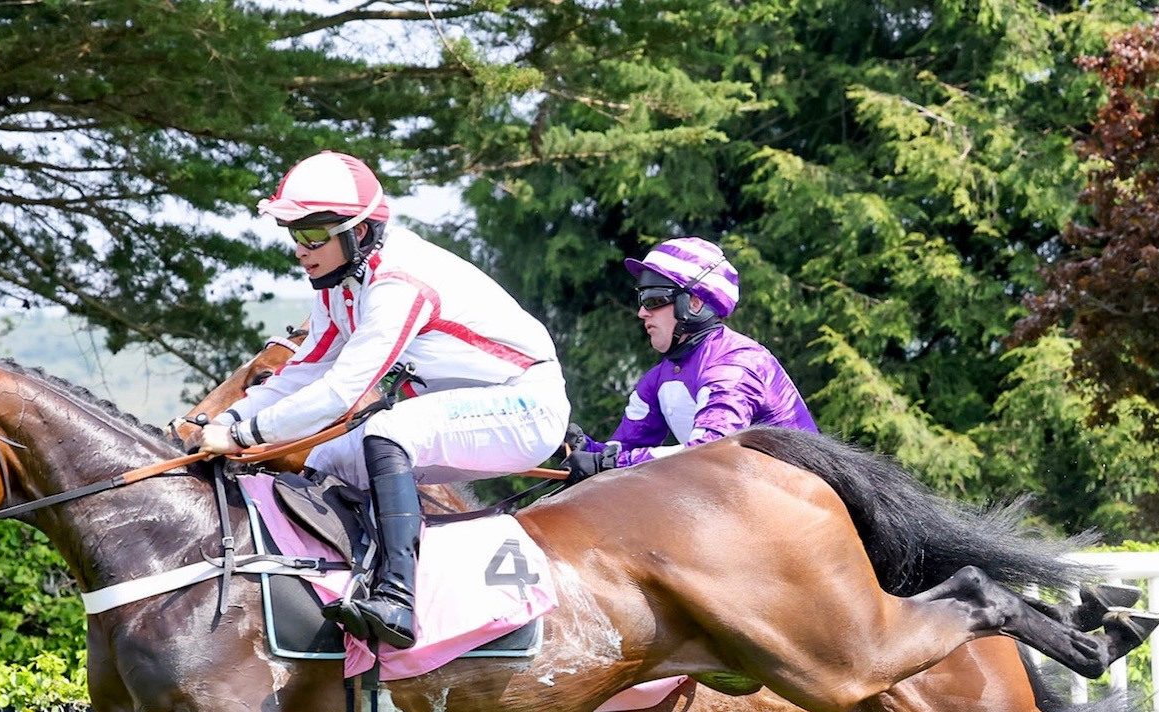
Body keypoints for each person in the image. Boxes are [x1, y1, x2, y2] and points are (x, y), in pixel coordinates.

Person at [183, 151, 568, 649]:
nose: (301, 249)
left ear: (359, 232)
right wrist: (223, 418)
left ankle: (398, 600)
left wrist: (238, 436)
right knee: (323, 460)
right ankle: (348, 580)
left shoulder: (397, 282)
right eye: (294, 234)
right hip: (465, 411)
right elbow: (302, 372)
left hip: (524, 407)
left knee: (389, 431)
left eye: (313, 234)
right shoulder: (341, 283)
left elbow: (341, 391)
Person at [565, 238, 816, 481]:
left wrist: (609, 463)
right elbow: (623, 449)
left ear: (694, 303)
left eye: (652, 299)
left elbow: (709, 451)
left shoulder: (735, 363)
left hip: (797, 501)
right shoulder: (658, 377)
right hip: (740, 495)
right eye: (640, 298)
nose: (642, 312)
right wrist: (580, 446)